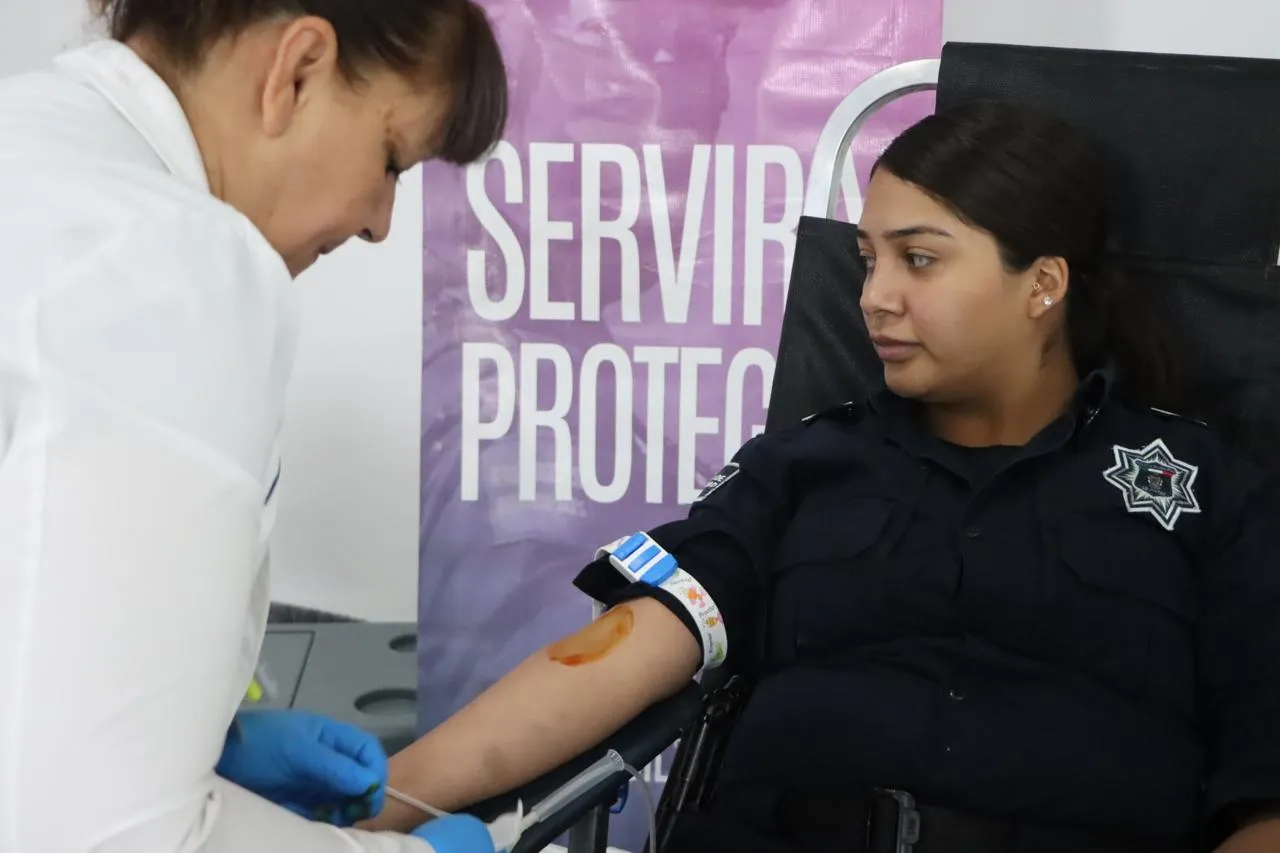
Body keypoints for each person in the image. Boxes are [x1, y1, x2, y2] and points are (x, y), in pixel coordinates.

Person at [361, 101, 1280, 853]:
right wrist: (377, 809)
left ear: (1042, 284)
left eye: (918, 259)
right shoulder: (804, 467)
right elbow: (626, 649)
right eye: (869, 261)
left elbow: (1265, 790)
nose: (875, 296)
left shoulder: (1204, 495)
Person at [0, 1, 512, 852]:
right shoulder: (169, 267)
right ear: (298, 71)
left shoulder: (32, 138)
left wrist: (202, 745)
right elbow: (110, 839)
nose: (383, 222)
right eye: (390, 159)